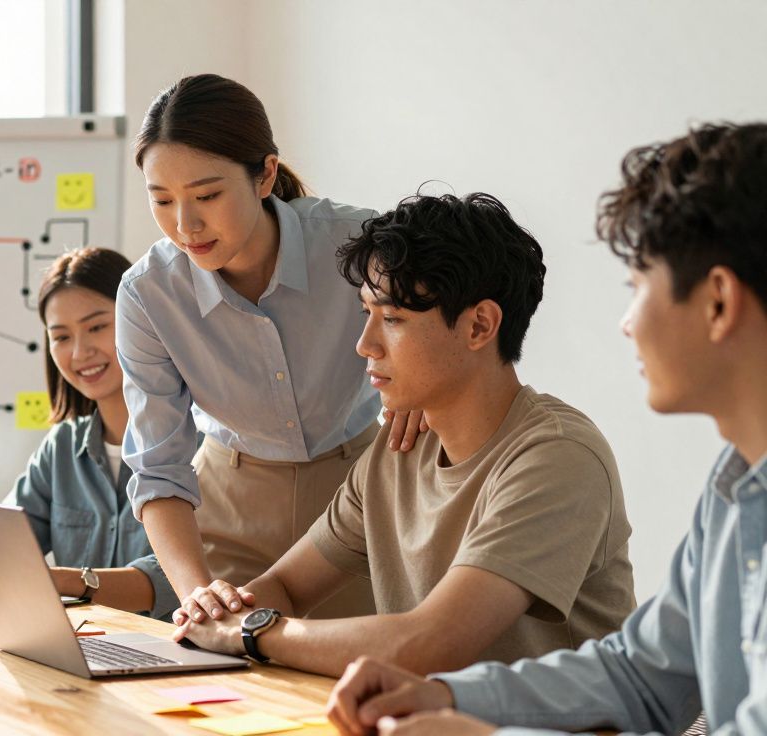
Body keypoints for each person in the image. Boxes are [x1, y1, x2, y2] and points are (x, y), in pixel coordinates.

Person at [323, 122, 767, 736]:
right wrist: (446, 697)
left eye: (638, 287)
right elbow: (639, 676)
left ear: (717, 301)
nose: (627, 323)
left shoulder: (558, 451)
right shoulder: (734, 485)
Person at [171, 192, 636, 677]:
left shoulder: (556, 457)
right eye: (366, 313)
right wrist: (218, 611)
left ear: (480, 325)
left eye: (392, 319)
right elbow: (285, 587)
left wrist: (253, 632)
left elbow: (434, 642)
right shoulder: (399, 449)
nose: (365, 344)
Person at [117, 73, 424, 619]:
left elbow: (439, 337)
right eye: (161, 200)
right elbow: (159, 467)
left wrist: (416, 394)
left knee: (359, 677)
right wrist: (195, 590)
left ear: (265, 175)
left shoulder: (359, 244)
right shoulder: (148, 295)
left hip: (359, 492)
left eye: (207, 195)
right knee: (230, 682)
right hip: (229, 502)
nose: (185, 225)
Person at [9, 247, 178, 619]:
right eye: (61, 337)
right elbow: (2, 543)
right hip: (85, 651)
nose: (80, 352)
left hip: (181, 658)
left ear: (141, 319)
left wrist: (69, 582)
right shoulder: (62, 448)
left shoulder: (198, 441)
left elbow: (187, 579)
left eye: (97, 327)